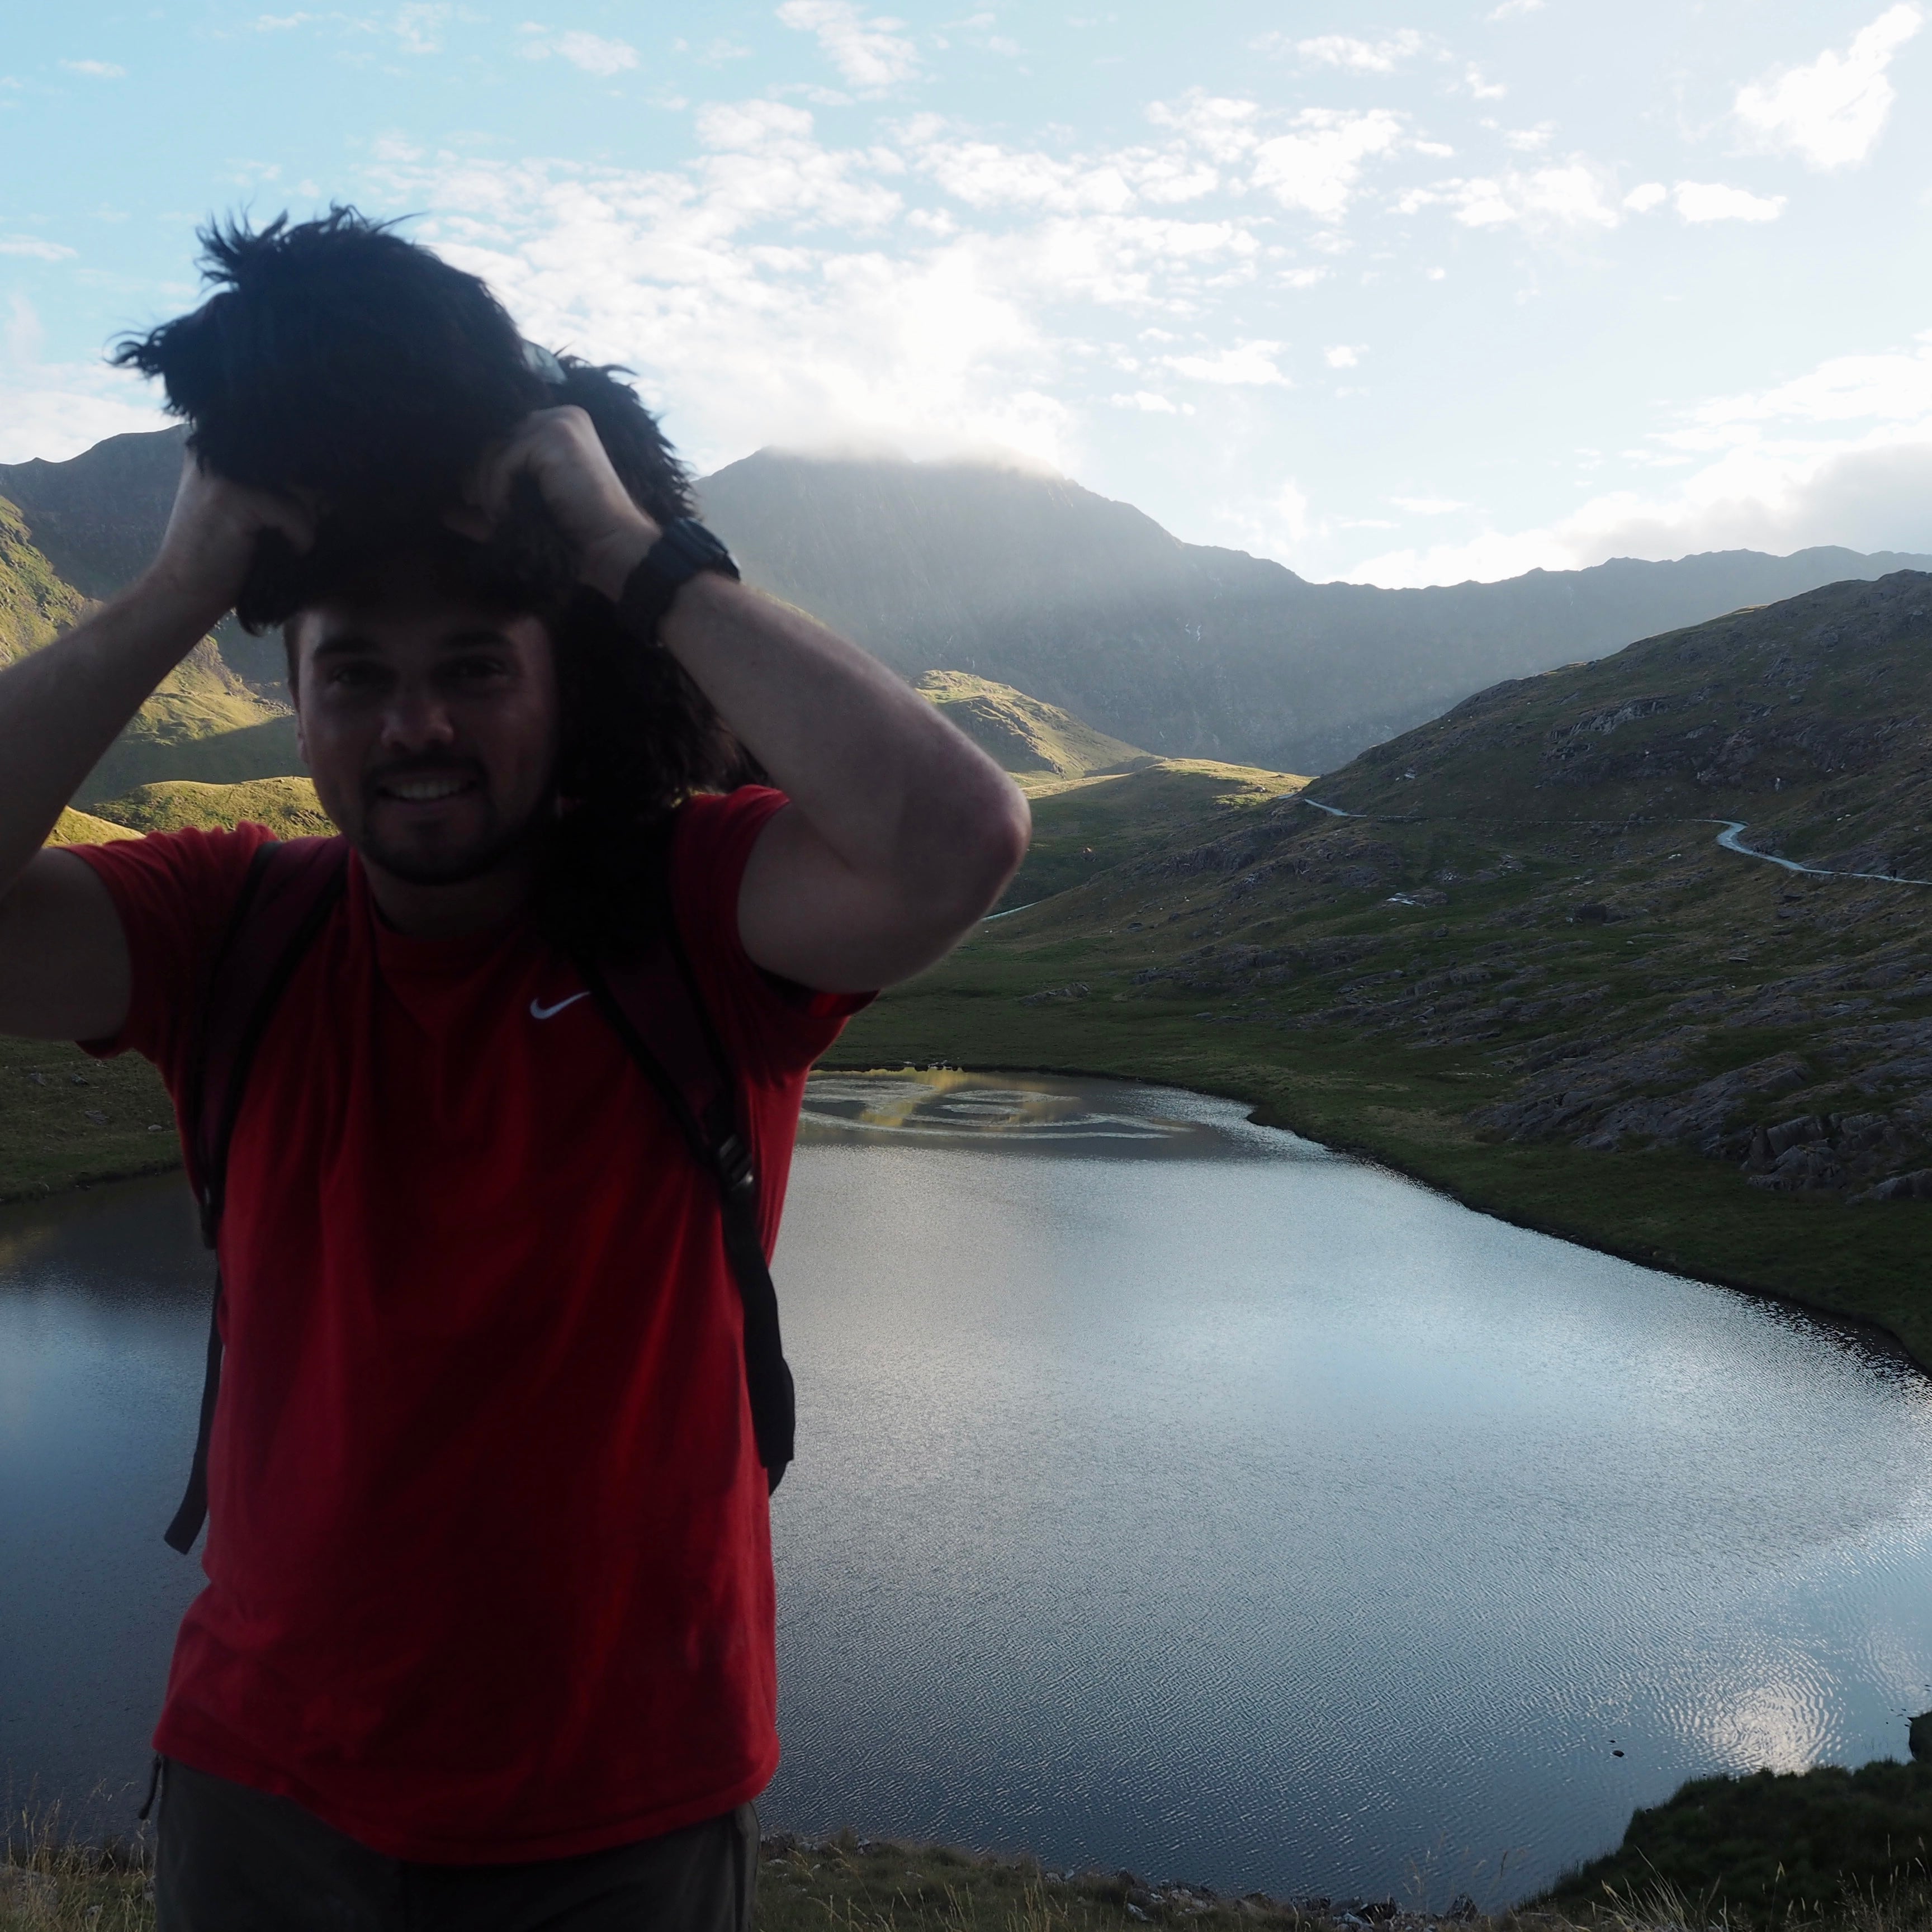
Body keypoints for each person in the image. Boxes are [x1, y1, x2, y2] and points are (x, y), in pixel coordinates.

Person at [0, 247, 1030, 1928]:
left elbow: (955, 841)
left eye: (478, 667)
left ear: (561, 687)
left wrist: (628, 546)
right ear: (297, 706)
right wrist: (178, 587)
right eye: (357, 677)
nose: (417, 725)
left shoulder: (693, 914)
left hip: (617, 1814)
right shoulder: (228, 931)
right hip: (262, 1797)